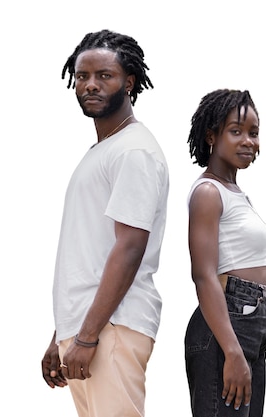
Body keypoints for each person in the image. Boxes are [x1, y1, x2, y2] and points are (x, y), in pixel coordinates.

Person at [40, 29, 169, 417]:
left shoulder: (134, 151)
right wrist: (61, 335)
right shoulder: (105, 150)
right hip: (88, 328)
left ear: (129, 81)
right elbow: (88, 250)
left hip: (111, 327)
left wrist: (88, 334)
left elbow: (129, 248)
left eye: (104, 76)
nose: (90, 85)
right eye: (82, 76)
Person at [184, 89, 266, 417]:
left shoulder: (235, 194)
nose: (248, 141)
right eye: (236, 131)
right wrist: (232, 351)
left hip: (252, 325)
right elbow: (203, 274)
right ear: (211, 136)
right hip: (227, 331)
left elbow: (238, 259)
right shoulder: (208, 193)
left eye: (254, 133)